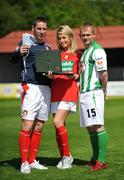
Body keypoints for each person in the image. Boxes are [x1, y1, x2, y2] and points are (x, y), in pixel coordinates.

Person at [11, 16, 51, 173]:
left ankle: (32, 160)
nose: (41, 31)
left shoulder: (48, 48)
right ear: (33, 29)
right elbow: (12, 59)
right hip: (31, 88)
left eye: (44, 29)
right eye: (39, 28)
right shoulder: (25, 43)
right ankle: (23, 162)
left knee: (39, 125)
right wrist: (18, 52)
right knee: (27, 125)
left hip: (46, 89)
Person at [48, 25, 80, 169]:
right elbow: (53, 75)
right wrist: (49, 75)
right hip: (56, 93)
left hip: (69, 93)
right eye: (59, 38)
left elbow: (79, 73)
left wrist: (78, 75)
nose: (62, 40)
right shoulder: (55, 56)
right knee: (58, 127)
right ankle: (64, 157)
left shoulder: (77, 54)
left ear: (70, 37)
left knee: (57, 122)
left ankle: (67, 157)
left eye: (64, 37)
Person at [79, 22, 109, 171]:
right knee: (90, 127)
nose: (85, 37)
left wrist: (104, 91)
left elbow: (103, 73)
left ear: (93, 35)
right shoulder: (85, 51)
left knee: (98, 125)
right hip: (84, 94)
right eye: (83, 35)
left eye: (88, 35)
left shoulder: (97, 51)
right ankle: (95, 158)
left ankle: (102, 161)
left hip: (93, 93)